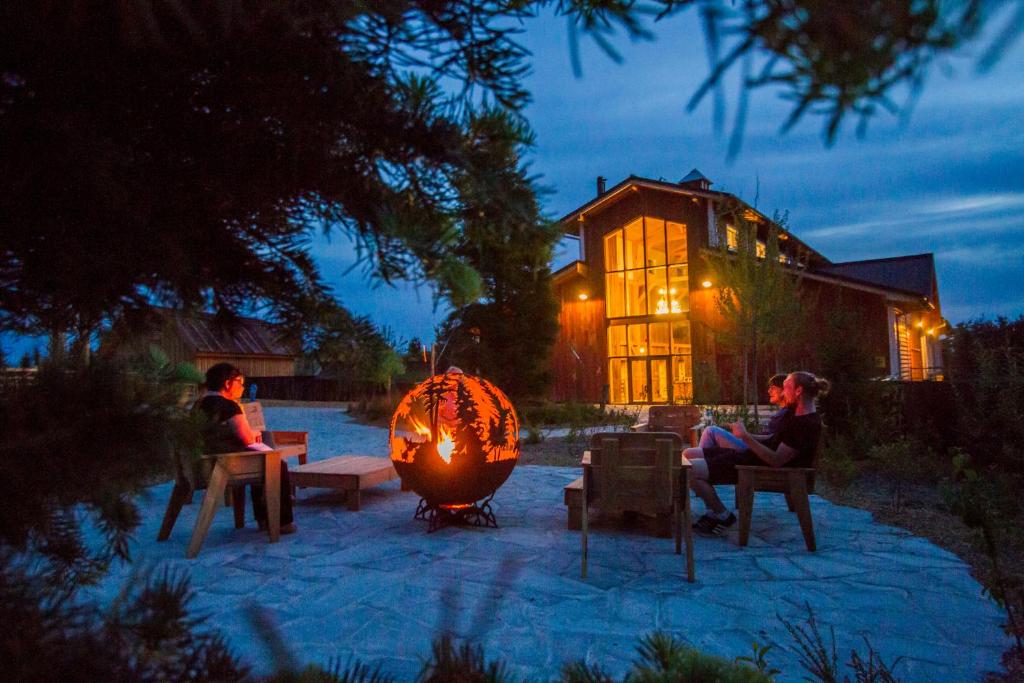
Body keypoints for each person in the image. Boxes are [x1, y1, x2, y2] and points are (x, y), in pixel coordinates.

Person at [685, 371, 829, 536]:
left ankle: (722, 515)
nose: (783, 390)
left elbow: (776, 460)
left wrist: (745, 437)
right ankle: (712, 510)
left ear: (798, 391)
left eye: (786, 386)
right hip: (750, 458)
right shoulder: (798, 416)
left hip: (755, 467)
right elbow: (772, 439)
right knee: (691, 455)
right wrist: (743, 434)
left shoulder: (804, 424)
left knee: (688, 470)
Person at [194, 363, 296, 534]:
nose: (242, 387)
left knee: (264, 453)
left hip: (202, 463)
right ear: (228, 384)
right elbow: (246, 438)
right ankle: (280, 521)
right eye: (240, 382)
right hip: (223, 465)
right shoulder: (228, 406)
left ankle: (265, 518)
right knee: (276, 464)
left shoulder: (200, 404)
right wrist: (255, 435)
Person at [698, 373, 790, 451]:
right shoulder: (784, 412)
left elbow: (771, 439)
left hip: (757, 449)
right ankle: (704, 459)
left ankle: (703, 460)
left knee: (710, 431)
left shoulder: (787, 413)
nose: (769, 391)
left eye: (773, 388)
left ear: (784, 390)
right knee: (705, 439)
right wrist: (742, 434)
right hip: (757, 444)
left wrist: (745, 435)